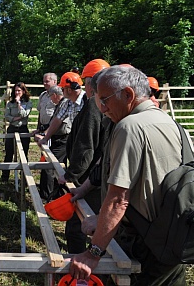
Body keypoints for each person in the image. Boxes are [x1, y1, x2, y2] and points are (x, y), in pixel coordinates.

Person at [70, 66, 186, 285]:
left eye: (105, 100)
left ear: (128, 95)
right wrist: (102, 219)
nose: (102, 109)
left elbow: (118, 199)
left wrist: (92, 253)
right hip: (176, 238)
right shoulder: (168, 121)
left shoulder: (128, 127)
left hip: (146, 244)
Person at [58, 59, 110, 254]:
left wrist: (71, 175)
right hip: (98, 174)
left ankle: (78, 267)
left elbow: (85, 148)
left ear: (89, 83)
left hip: (88, 178)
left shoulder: (93, 107)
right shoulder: (102, 105)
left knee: (79, 223)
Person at [38, 85, 71, 201]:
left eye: (51, 97)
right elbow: (53, 122)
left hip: (64, 139)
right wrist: (43, 131)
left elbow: (58, 123)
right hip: (58, 138)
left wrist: (45, 135)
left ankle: (47, 195)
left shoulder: (66, 103)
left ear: (55, 95)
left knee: (50, 166)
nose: (51, 100)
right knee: (58, 165)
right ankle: (56, 193)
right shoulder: (61, 104)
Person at [1, 82, 33, 182]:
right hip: (12, 128)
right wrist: (16, 118)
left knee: (23, 154)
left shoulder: (28, 103)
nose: (17, 93)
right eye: (15, 91)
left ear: (23, 91)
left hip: (23, 129)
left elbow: (24, 114)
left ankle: (24, 177)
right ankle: (5, 177)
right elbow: (7, 116)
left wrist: (19, 104)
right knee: (9, 153)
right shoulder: (10, 103)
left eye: (19, 90)